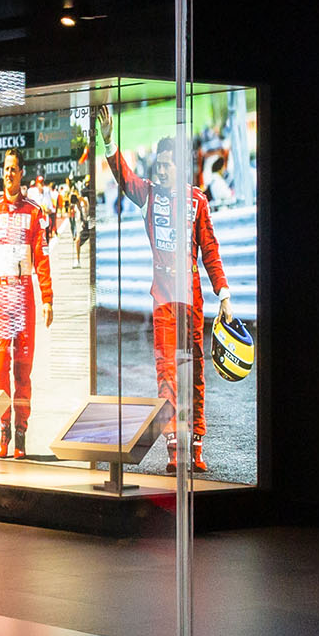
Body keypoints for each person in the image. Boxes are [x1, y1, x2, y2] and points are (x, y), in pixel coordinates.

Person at [108, 133, 228, 472]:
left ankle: (197, 446)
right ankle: (174, 448)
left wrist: (224, 293)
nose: (160, 171)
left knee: (195, 372)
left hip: (191, 298)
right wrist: (109, 144)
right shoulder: (148, 194)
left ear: (180, 166)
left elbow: (210, 250)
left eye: (166, 165)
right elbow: (125, 177)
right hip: (163, 300)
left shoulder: (197, 200)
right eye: (158, 165)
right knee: (167, 374)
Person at [0, 150, 54, 458]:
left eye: (13, 169)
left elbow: (42, 258)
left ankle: (21, 431)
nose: (8, 173)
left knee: (23, 370)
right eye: (5, 169)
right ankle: (4, 428)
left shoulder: (34, 213)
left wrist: (47, 299)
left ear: (22, 173)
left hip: (23, 299)